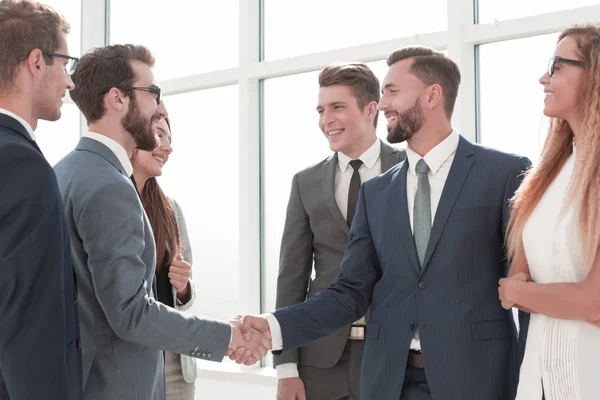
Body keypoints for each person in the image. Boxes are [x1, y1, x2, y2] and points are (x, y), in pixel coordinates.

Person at [243, 46, 531, 400]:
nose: (381, 104)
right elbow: (349, 291)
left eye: (392, 91)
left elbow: (527, 283)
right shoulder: (377, 192)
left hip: (475, 378)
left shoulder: (504, 173)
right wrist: (274, 326)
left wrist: (533, 379)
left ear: (432, 95)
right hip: (390, 379)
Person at [53, 44, 270, 400]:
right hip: (116, 387)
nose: (160, 107)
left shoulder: (66, 172)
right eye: (153, 93)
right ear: (117, 99)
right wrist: (228, 335)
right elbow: (130, 313)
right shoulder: (110, 186)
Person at [274, 62, 404, 400]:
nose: (325, 119)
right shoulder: (305, 183)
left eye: (337, 107)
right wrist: (286, 368)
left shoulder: (411, 171)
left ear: (370, 109)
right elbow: (292, 278)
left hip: (395, 353)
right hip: (320, 359)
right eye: (321, 110)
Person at [500, 25, 600, 400]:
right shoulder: (545, 176)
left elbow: (593, 301)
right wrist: (527, 292)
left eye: (557, 67)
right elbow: (513, 286)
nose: (543, 77)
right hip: (537, 380)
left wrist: (524, 292)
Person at [0, 1, 82, 399]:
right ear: (36, 62)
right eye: (65, 64)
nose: (69, 83)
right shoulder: (22, 166)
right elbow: (29, 326)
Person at [131, 116, 198, 400]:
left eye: (169, 138)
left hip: (175, 363)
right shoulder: (110, 201)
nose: (167, 147)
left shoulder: (171, 209)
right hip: (134, 360)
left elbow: (186, 298)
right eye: (159, 136)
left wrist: (183, 287)